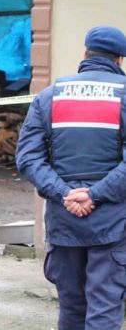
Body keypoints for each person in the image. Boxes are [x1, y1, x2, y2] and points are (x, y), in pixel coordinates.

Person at [16, 26, 126, 330]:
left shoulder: (49, 96)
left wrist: (64, 193)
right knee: (104, 307)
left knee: (71, 307)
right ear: (119, 60)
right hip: (113, 224)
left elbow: (28, 159)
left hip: (64, 220)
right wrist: (95, 194)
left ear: (85, 54)